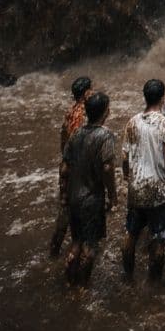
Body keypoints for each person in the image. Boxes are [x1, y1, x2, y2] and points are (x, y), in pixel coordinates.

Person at [121, 79, 165, 281]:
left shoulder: (132, 122)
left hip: (136, 187)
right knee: (159, 238)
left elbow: (125, 158)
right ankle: (154, 282)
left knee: (131, 233)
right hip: (158, 190)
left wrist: (128, 178)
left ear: (144, 97)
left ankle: (128, 276)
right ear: (163, 98)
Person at [60, 90, 117, 286]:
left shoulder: (76, 134)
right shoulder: (105, 136)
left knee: (76, 242)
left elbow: (65, 166)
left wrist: (63, 195)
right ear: (105, 112)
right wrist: (113, 195)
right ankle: (83, 286)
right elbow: (107, 168)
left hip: (74, 196)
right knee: (90, 246)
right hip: (92, 199)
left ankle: (69, 282)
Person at [49, 75, 92, 256]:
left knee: (65, 209)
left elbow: (63, 140)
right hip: (79, 169)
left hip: (66, 165)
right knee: (80, 215)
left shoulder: (70, 111)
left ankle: (54, 250)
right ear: (86, 92)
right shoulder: (85, 114)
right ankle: (77, 255)